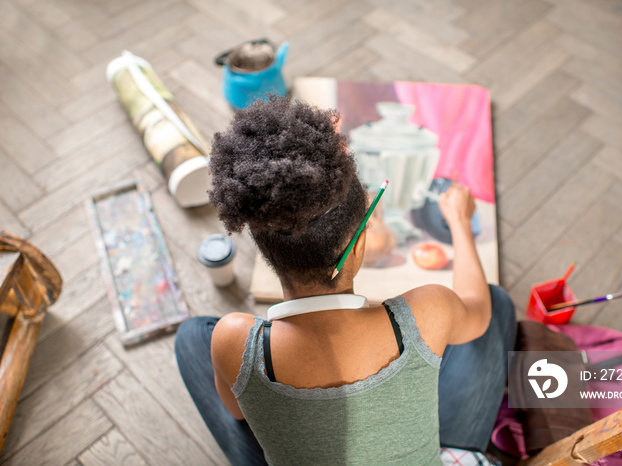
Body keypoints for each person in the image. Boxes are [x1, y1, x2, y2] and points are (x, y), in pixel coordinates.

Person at [175, 96, 516, 465]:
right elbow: (479, 313)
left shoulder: (233, 340)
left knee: (193, 336)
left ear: (264, 248)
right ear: (359, 246)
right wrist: (461, 225)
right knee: (495, 302)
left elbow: (239, 413)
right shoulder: (427, 311)